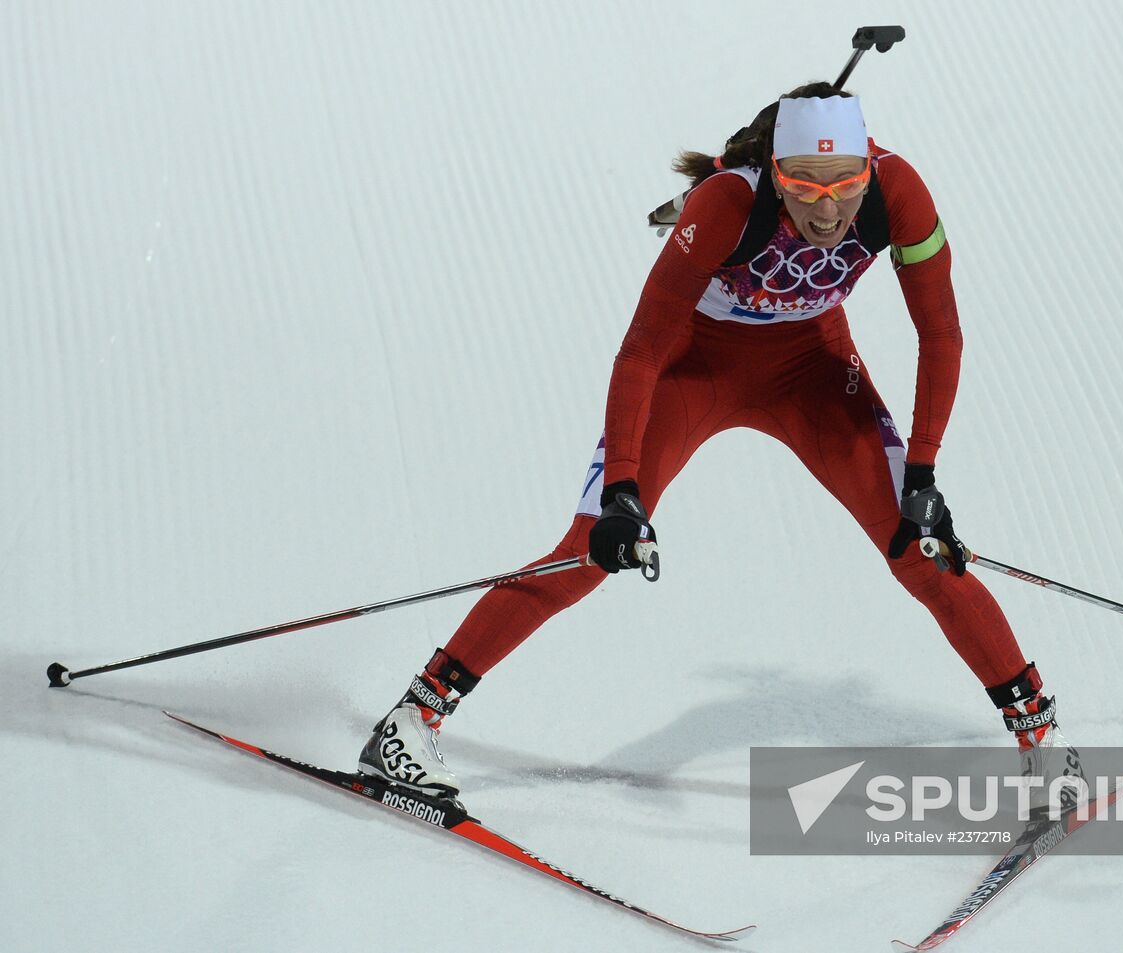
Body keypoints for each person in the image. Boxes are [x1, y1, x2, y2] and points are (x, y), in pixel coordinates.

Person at [357, 83, 1078, 810]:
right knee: (585, 554)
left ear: (868, 168)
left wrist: (923, 471)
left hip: (813, 371)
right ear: (774, 170)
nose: (827, 212)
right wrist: (622, 495)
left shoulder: (902, 193)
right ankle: (410, 722)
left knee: (921, 548)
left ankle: (1043, 748)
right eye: (802, 187)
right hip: (692, 367)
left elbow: (941, 334)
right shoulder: (727, 203)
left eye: (845, 187)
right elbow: (640, 351)